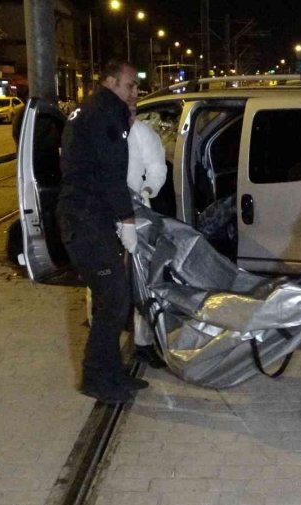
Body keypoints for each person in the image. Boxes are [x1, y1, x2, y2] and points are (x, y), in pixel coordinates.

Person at [56, 59, 147, 404]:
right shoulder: (104, 114)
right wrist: (127, 219)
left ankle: (111, 372)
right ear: (110, 82)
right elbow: (111, 173)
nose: (134, 91)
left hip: (87, 217)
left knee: (114, 300)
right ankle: (96, 378)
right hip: (85, 219)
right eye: (129, 86)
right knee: (114, 301)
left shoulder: (95, 109)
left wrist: (129, 114)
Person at [125, 102, 168, 368]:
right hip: (105, 216)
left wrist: (147, 191)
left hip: (137, 214)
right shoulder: (100, 132)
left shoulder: (142, 133)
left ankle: (144, 342)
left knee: (143, 278)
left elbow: (156, 167)